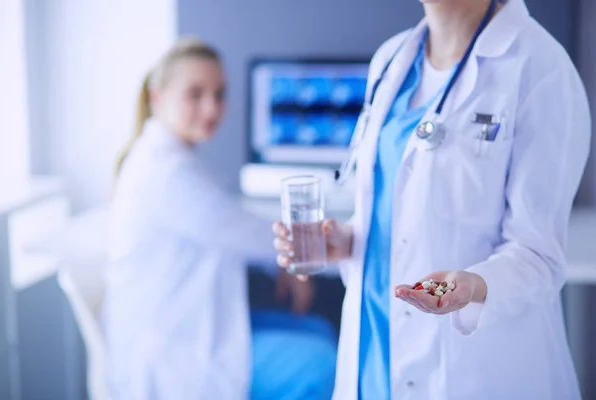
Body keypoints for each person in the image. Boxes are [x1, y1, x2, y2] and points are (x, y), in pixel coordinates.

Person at [272, 0, 590, 398]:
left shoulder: (540, 69)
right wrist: (347, 242)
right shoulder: (392, 60)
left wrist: (473, 286)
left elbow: (538, 256)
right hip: (375, 357)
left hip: (473, 370)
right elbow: (395, 211)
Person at [103, 38, 337, 400]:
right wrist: (328, 250)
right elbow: (245, 233)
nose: (212, 107)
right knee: (323, 360)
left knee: (318, 330)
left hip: (190, 326)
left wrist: (281, 263)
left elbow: (232, 231)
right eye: (195, 94)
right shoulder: (165, 172)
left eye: (220, 94)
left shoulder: (170, 158)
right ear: (157, 97)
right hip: (176, 355)